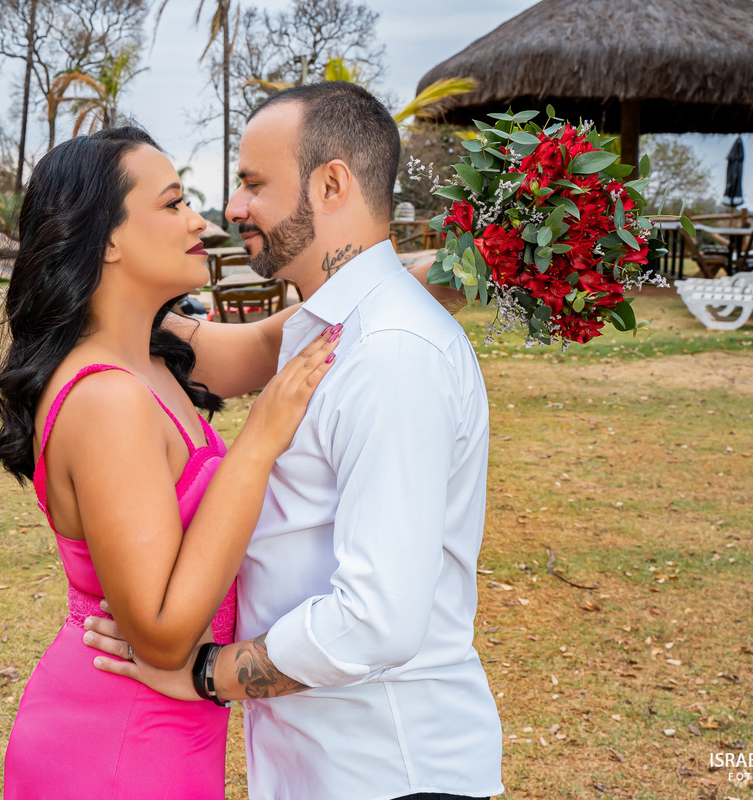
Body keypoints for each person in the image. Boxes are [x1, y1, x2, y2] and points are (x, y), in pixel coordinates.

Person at [86, 82, 504, 800]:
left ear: (332, 182)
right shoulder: (331, 326)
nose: (232, 208)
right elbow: (208, 348)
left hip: (386, 768)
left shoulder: (391, 352)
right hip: (322, 762)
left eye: (252, 183)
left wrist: (205, 674)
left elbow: (376, 621)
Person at [0, 126, 342, 799]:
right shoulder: (106, 400)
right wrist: (258, 444)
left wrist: (472, 269)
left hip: (167, 728)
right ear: (109, 239)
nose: (200, 221)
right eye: (175, 203)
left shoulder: (156, 352)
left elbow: (283, 337)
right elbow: (160, 634)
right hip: (116, 742)